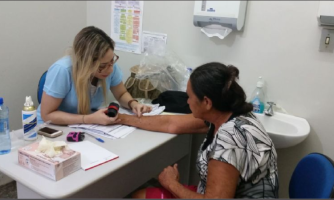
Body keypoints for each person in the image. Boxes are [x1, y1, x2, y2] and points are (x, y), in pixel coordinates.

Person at [118, 62, 279, 198]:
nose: (187, 102)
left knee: (138, 196)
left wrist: (171, 183)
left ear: (207, 102)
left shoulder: (230, 140)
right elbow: (170, 123)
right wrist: (122, 118)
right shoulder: (229, 113)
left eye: (189, 97)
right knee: (140, 194)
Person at [37, 26, 151, 125]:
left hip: (85, 125)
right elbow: (47, 115)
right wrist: (88, 119)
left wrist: (133, 104)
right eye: (102, 66)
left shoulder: (110, 67)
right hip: (52, 129)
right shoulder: (62, 70)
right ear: (85, 62)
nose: (110, 69)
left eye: (112, 61)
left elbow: (121, 94)